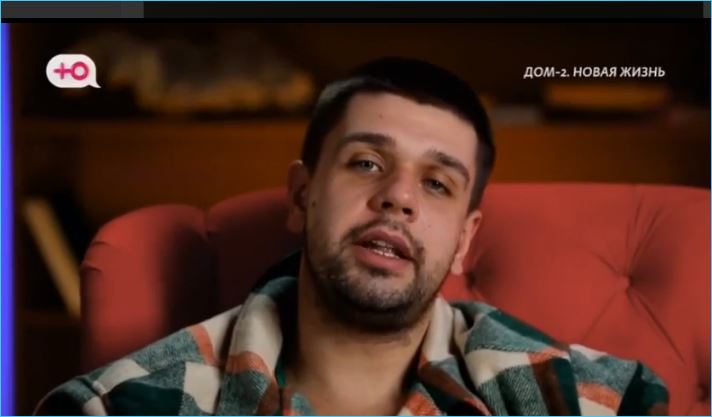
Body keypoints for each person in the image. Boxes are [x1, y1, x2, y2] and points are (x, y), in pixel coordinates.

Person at [36, 57, 668, 416]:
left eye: (437, 184)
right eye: (367, 162)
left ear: (463, 240)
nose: (398, 197)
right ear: (301, 196)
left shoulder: (592, 400)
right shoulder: (120, 406)